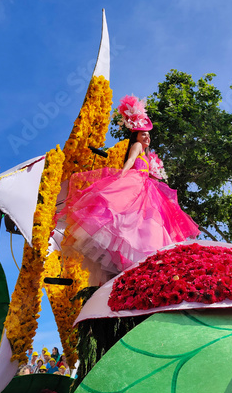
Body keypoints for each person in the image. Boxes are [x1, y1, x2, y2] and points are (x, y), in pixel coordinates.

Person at [58, 95, 199, 284]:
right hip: (135, 182)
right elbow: (131, 161)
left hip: (146, 187)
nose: (147, 137)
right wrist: (122, 174)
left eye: (148, 135)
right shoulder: (137, 146)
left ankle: (137, 259)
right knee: (127, 218)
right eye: (143, 134)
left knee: (144, 222)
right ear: (136, 136)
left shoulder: (147, 154)